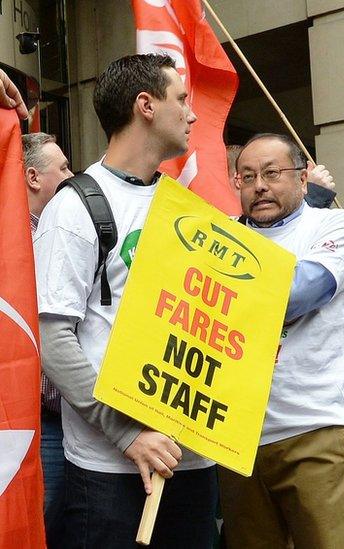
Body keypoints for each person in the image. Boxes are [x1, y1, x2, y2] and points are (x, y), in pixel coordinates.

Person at [34, 54, 218, 547]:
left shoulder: (187, 208)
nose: (192, 114)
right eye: (181, 99)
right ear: (146, 105)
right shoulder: (73, 208)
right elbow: (53, 341)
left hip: (190, 461)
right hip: (109, 472)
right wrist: (127, 434)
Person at [218, 132, 344, 548]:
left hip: (314, 429)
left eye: (272, 173)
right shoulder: (223, 232)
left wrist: (222, 290)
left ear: (303, 180)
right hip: (235, 438)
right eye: (247, 177)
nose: (259, 185)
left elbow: (299, 293)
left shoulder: (334, 224)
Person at [23, 132, 74, 546]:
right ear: (33, 176)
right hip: (32, 422)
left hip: (65, 417)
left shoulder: (61, 230)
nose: (72, 175)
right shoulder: (11, 241)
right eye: (63, 168)